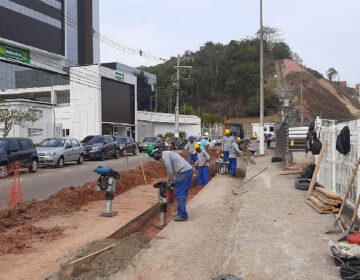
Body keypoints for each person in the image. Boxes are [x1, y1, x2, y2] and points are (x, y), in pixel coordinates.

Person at [147, 145, 194, 221]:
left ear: (155, 153)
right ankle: (181, 213)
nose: (153, 158)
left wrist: (171, 182)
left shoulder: (165, 156)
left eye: (153, 156)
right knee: (180, 192)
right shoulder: (167, 154)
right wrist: (170, 181)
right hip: (185, 172)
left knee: (180, 193)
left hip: (185, 172)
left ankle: (182, 215)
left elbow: (170, 170)